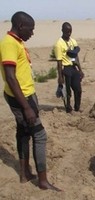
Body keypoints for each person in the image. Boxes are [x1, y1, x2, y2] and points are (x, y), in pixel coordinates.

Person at [0, 11, 61, 191]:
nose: (32, 33)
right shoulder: (9, 43)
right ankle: (42, 181)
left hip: (25, 95)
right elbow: (11, 77)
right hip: (21, 98)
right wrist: (26, 107)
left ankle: (25, 173)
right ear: (20, 26)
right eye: (31, 29)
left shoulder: (16, 42)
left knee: (24, 132)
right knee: (40, 135)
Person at [54, 22, 84, 113]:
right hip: (65, 68)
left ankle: (77, 108)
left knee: (78, 90)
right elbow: (59, 62)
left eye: (70, 31)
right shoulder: (59, 44)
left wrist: (80, 70)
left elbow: (76, 56)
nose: (69, 33)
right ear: (62, 30)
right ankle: (68, 108)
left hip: (73, 68)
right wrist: (60, 77)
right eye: (67, 31)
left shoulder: (73, 41)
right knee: (67, 92)